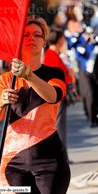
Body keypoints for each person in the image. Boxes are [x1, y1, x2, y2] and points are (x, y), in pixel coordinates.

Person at [0, 15, 70, 194]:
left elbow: (53, 96)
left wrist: (28, 76)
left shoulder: (54, 73)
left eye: (37, 35)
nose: (31, 38)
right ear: (17, 43)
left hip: (49, 160)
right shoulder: (7, 79)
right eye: (25, 35)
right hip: (12, 163)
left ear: (44, 42)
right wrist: (1, 102)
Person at [43, 27, 75, 163]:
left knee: (61, 127)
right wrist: (70, 77)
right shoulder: (51, 55)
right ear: (60, 40)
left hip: (59, 96)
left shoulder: (54, 55)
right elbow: (55, 77)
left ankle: (63, 156)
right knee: (59, 128)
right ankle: (61, 157)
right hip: (57, 97)